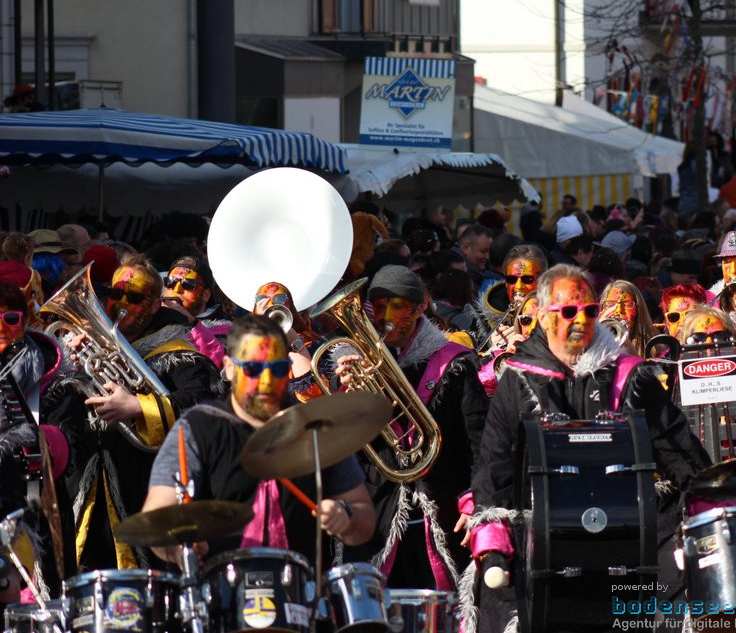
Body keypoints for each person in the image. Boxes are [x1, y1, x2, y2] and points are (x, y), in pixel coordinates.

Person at [465, 264, 710, 633]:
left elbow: (682, 455)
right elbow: (493, 467)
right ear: (545, 319)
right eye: (568, 312)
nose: (581, 320)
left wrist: (705, 519)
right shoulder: (517, 379)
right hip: (541, 546)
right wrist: (492, 540)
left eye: (589, 311)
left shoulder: (631, 376)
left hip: (622, 547)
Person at [141, 314, 376, 566]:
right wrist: (179, 550)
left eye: (276, 369)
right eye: (253, 368)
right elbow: (156, 517)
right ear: (229, 368)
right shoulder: (197, 429)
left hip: (301, 594)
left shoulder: (315, 429)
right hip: (218, 595)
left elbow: (364, 517)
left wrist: (346, 515)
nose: (265, 381)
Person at [61, 253, 221, 570]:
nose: (120, 303)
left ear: (156, 305)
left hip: (143, 488)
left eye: (133, 297)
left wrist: (137, 406)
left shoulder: (179, 354)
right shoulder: (88, 346)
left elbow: (204, 407)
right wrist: (69, 367)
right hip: (88, 494)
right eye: (114, 293)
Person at [335, 265, 488, 591]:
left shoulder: (455, 364)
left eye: (397, 306)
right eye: (378, 307)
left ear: (420, 308)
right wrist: (346, 400)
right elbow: (347, 451)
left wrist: (475, 502)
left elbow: (480, 442)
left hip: (442, 510)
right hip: (378, 513)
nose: (386, 316)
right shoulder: (360, 365)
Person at [0, 281, 78, 594]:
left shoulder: (54, 376)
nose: (2, 328)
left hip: (38, 515)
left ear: (27, 318)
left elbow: (72, 446)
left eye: (10, 318)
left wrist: (38, 441)